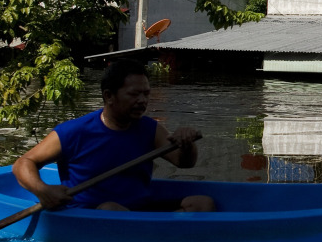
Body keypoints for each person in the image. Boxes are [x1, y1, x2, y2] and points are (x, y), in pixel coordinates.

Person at [12, 59, 214, 212]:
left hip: (138, 210)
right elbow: (24, 162)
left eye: (146, 94)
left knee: (203, 203)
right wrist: (43, 190)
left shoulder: (150, 128)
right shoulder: (74, 131)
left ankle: (164, 239)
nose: (143, 101)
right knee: (110, 207)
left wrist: (186, 143)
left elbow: (184, 163)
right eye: (134, 94)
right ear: (109, 96)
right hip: (94, 215)